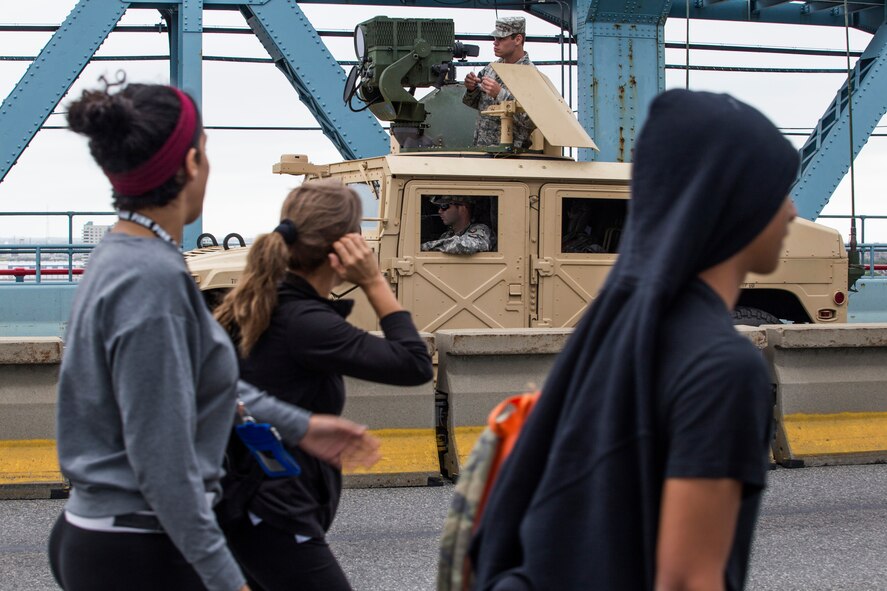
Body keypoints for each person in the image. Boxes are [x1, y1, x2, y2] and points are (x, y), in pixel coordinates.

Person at [48, 80, 379, 591]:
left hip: (118, 537)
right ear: (189, 166)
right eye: (205, 148)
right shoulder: (150, 279)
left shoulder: (126, 255)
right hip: (143, 551)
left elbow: (198, 379)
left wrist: (299, 426)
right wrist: (227, 581)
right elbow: (164, 464)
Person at [469, 89, 799, 590]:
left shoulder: (613, 331)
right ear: (736, 202)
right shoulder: (721, 365)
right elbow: (689, 580)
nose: (793, 212)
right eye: (778, 192)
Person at [213, 179, 434, 591]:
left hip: (247, 503)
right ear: (346, 247)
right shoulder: (305, 323)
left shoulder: (252, 304)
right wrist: (373, 282)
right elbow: (414, 364)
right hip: (274, 510)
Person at [463, 17, 537, 149]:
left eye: (501, 39)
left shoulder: (530, 75)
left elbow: (532, 121)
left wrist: (500, 94)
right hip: (482, 150)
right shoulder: (491, 69)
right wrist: (471, 89)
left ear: (518, 39)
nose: (495, 43)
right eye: (495, 38)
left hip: (511, 156)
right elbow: (477, 104)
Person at [421, 196, 493, 254]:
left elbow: (468, 245)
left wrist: (425, 247)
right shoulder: (446, 235)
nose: (439, 211)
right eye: (439, 207)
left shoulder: (481, 229)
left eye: (444, 206)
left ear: (463, 208)